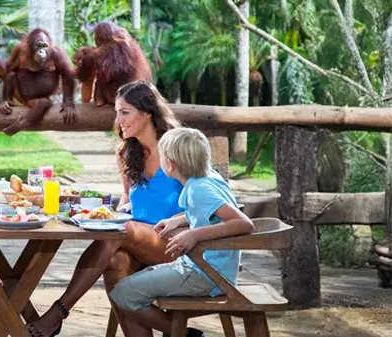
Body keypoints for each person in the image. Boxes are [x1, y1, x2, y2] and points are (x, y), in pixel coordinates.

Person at [28, 81, 185, 337]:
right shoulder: (127, 152)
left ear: (146, 113)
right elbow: (128, 197)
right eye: (117, 112)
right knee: (114, 262)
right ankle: (181, 333)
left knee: (118, 230)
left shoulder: (177, 147)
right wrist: (118, 207)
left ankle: (58, 312)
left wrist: (178, 220)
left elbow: (206, 198)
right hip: (138, 241)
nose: (118, 120)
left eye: (125, 112)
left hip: (175, 242)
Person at [108, 127, 254, 336]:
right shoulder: (207, 180)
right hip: (204, 268)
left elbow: (243, 224)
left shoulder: (198, 190)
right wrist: (177, 221)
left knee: (123, 294)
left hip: (206, 274)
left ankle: (184, 334)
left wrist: (194, 234)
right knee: (134, 283)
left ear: (170, 164)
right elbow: (210, 213)